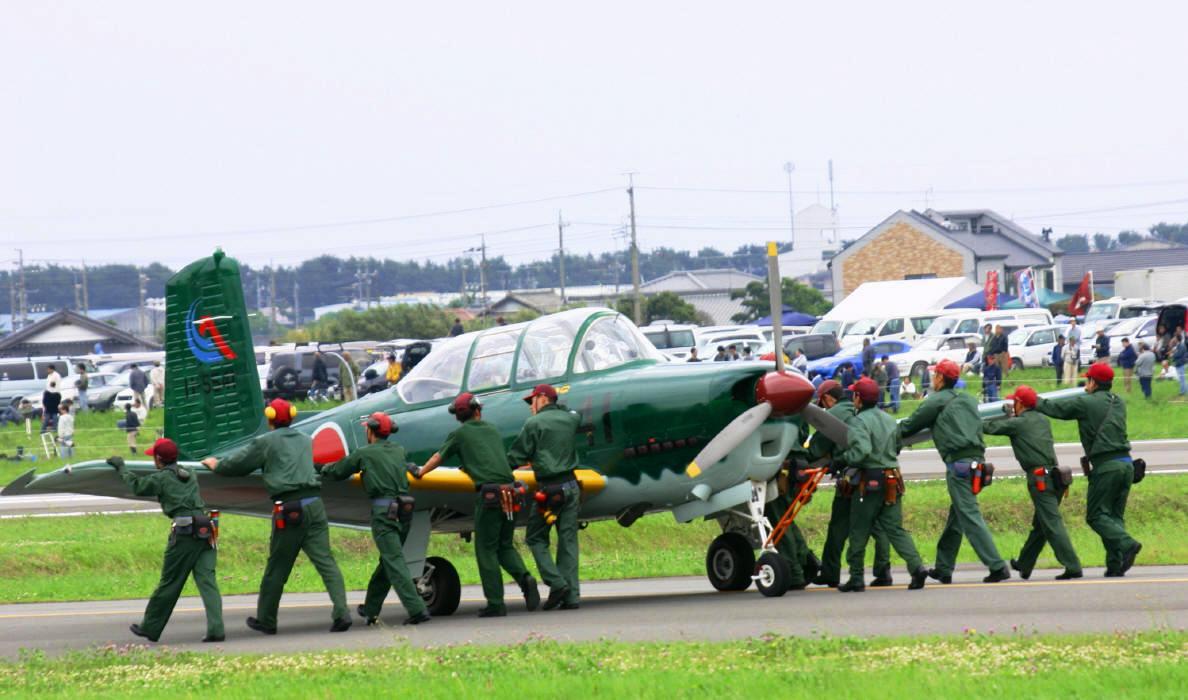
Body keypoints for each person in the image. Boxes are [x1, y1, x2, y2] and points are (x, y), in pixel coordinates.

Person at [202, 398, 351, 634]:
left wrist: (215, 465)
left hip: (289, 509)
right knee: (326, 562)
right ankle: (342, 612)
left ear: (270, 418)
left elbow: (236, 466)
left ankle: (267, 620)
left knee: (277, 567)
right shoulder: (305, 440)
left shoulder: (264, 442)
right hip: (315, 504)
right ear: (292, 416)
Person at [413, 393, 539, 617]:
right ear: (478, 411)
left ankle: (496, 604)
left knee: (486, 550)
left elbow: (438, 458)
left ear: (458, 417)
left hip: (490, 497)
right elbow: (491, 458)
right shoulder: (491, 429)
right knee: (505, 545)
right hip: (512, 493)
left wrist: (420, 472)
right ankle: (525, 578)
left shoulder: (459, 434)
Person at [899, 358, 1009, 584]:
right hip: (977, 463)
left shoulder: (935, 401)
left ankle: (997, 566)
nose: (932, 379)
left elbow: (909, 426)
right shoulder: (968, 399)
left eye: (934, 375)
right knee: (957, 516)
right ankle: (943, 568)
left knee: (969, 516)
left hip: (958, 466)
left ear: (939, 378)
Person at [321, 412, 430, 626]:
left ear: (370, 431)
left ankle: (417, 609)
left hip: (385, 514)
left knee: (394, 561)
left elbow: (338, 471)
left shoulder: (365, 453)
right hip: (404, 513)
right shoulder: (399, 451)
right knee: (389, 560)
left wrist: (322, 468)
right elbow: (406, 466)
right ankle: (371, 608)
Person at [109, 439, 223, 643]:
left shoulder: (161, 478)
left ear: (159, 459)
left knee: (170, 582)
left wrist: (121, 467)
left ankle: (150, 627)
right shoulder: (191, 473)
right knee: (207, 581)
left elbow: (137, 487)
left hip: (185, 534)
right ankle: (216, 629)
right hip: (206, 529)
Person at [1035, 363, 1142, 577]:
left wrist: (1034, 400)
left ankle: (1128, 544)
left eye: (1088, 380)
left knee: (1095, 516)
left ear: (1093, 382)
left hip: (1106, 467)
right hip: (1126, 464)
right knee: (1113, 516)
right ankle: (1115, 564)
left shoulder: (1086, 403)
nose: (1086, 384)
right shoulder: (1118, 401)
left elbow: (1057, 410)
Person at [837, 378, 930, 593]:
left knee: (859, 529)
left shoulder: (858, 421)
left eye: (855, 394)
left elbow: (861, 452)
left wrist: (843, 459)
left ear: (858, 398)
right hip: (892, 479)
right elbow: (897, 446)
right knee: (896, 529)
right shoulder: (889, 420)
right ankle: (916, 568)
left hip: (869, 482)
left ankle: (857, 577)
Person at [983, 386, 1082, 580]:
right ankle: (1024, 563)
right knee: (1041, 524)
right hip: (1055, 477)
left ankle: (1072, 565)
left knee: (1052, 524)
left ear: (1020, 403)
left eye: (1015, 403)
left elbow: (988, 428)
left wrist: (969, 419)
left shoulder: (1018, 423)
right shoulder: (1042, 420)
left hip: (1040, 479)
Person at [807, 380, 892, 588]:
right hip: (877, 475)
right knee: (877, 525)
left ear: (827, 398)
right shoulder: (874, 414)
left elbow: (816, 448)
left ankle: (831, 572)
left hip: (851, 477)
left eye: (822, 403)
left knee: (839, 526)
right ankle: (883, 571)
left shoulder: (833, 414)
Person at [507, 384, 583, 611]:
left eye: (532, 401)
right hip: (572, 487)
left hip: (549, 491)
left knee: (535, 537)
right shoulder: (570, 419)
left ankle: (557, 583)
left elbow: (516, 456)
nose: (531, 406)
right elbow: (574, 414)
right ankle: (571, 598)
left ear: (542, 398)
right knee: (568, 541)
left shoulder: (533, 424)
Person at [41, 365, 62, 433]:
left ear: (51, 369)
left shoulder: (55, 375)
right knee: (52, 413)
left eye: (48, 369)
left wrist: (47, 392)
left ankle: (45, 429)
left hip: (53, 394)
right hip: (50, 393)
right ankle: (52, 428)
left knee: (52, 413)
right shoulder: (50, 375)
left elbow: (52, 385)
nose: (47, 371)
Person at [1064, 319, 1082, 384]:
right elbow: (1068, 338)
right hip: (1071, 347)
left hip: (1076, 347)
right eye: (1071, 322)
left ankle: (1077, 370)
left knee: (1076, 361)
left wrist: (1072, 340)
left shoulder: (1078, 330)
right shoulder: (1069, 330)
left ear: (1075, 322)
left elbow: (1076, 338)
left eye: (1073, 321)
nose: (1072, 323)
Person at [1172, 333, 1187, 398]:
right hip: (1179, 364)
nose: (1174, 339)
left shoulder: (1181, 345)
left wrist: (1173, 355)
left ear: (1177, 338)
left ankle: (1182, 392)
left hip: (1181, 364)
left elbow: (1178, 354)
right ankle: (1184, 391)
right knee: (1181, 378)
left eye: (1175, 337)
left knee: (1182, 379)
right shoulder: (1179, 345)